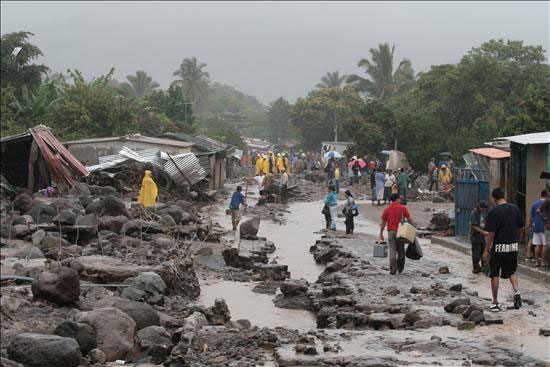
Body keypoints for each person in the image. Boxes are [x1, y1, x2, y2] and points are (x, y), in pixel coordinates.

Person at [483, 187, 524, 312]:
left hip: (498, 247)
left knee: (494, 274)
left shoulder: (493, 212)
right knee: (512, 271)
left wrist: (486, 249)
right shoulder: (515, 209)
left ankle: (495, 302)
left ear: (494, 199)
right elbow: (521, 228)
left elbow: (491, 233)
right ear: (504, 196)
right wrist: (518, 242)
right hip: (512, 246)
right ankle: (516, 292)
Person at [380, 193, 414, 275]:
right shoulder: (402, 208)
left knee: (392, 251)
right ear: (397, 199)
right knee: (401, 250)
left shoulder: (387, 209)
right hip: (401, 232)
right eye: (400, 198)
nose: (401, 200)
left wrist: (381, 232)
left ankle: (392, 270)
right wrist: (413, 228)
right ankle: (400, 268)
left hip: (391, 232)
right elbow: (409, 219)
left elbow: (383, 222)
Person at [529, 189, 548, 267]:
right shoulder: (547, 203)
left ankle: (537, 262)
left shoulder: (534, 203)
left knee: (537, 244)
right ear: (547, 195)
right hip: (545, 226)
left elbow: (531, 216)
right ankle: (543, 262)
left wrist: (530, 225)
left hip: (536, 226)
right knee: (544, 245)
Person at [470, 200, 489, 273]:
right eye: (483, 208)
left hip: (482, 237)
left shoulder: (483, 213)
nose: (483, 210)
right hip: (475, 237)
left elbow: (484, 223)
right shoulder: (474, 213)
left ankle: (484, 267)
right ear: (479, 207)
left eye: (485, 209)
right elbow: (474, 226)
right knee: (476, 253)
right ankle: (476, 268)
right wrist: (483, 232)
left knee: (483, 252)